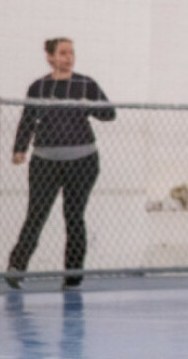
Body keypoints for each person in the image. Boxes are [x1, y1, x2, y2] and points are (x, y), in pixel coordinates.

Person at [6, 38, 115, 291]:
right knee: (36, 215)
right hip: (45, 161)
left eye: (71, 53)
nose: (69, 57)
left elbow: (110, 114)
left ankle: (73, 276)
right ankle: (16, 268)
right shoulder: (39, 87)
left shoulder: (85, 84)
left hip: (83, 161)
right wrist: (20, 149)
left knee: (74, 216)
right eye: (63, 53)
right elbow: (27, 120)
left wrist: (92, 107)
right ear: (50, 57)